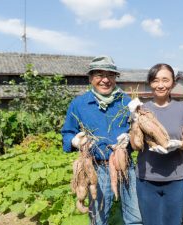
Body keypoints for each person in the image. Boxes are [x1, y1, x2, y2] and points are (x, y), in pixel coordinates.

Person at [61, 55, 142, 225]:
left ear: (115, 78)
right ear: (91, 78)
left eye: (110, 75)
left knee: (135, 217)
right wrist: (75, 141)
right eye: (99, 75)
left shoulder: (127, 102)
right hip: (96, 168)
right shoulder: (79, 104)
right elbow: (67, 134)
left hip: (126, 164)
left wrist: (131, 135)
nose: (105, 80)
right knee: (98, 218)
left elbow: (139, 134)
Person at [129, 63, 183, 225]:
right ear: (150, 83)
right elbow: (135, 145)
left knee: (173, 222)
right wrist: (134, 121)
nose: (160, 85)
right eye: (155, 80)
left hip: (175, 179)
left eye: (165, 80)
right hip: (146, 179)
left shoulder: (182, 108)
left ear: (173, 83)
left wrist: (177, 143)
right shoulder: (140, 109)